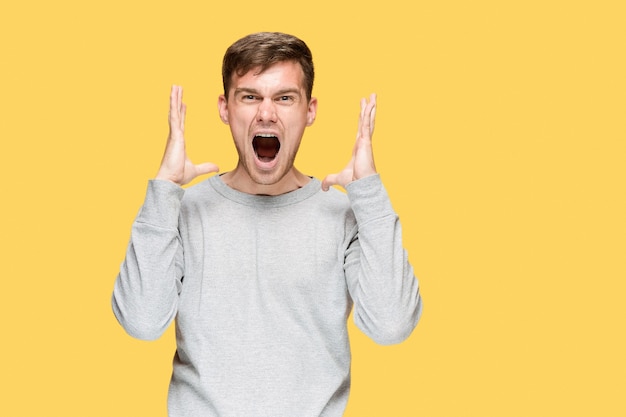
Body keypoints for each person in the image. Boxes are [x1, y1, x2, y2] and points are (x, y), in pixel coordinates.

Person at [112, 32, 423, 417]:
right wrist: (163, 191)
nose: (266, 113)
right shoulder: (182, 211)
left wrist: (371, 196)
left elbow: (391, 325)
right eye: (250, 96)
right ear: (226, 109)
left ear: (309, 111)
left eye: (285, 97)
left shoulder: (343, 216)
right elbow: (141, 322)